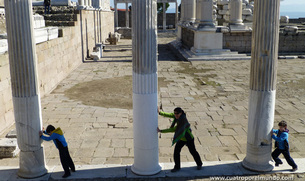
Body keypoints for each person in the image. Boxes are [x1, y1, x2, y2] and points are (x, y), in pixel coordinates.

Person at [157, 107, 202, 172]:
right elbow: (170, 115)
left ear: (181, 113)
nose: (175, 115)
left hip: (188, 139)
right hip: (181, 138)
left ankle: (199, 164)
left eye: (177, 113)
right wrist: (160, 112)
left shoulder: (183, 121)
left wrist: (161, 131)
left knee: (193, 152)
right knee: (176, 152)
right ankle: (177, 167)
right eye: (175, 113)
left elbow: (173, 129)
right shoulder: (177, 116)